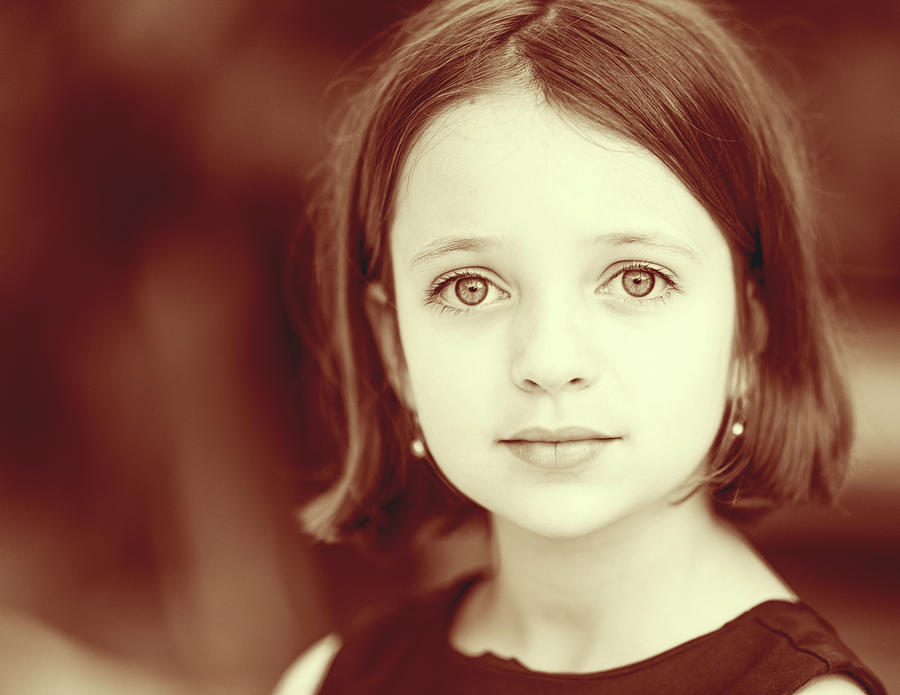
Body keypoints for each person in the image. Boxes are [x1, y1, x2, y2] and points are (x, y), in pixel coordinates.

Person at [277, 0, 887, 692]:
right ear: (395, 347)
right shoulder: (328, 680)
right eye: (471, 287)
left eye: (636, 278)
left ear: (752, 328)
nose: (550, 362)